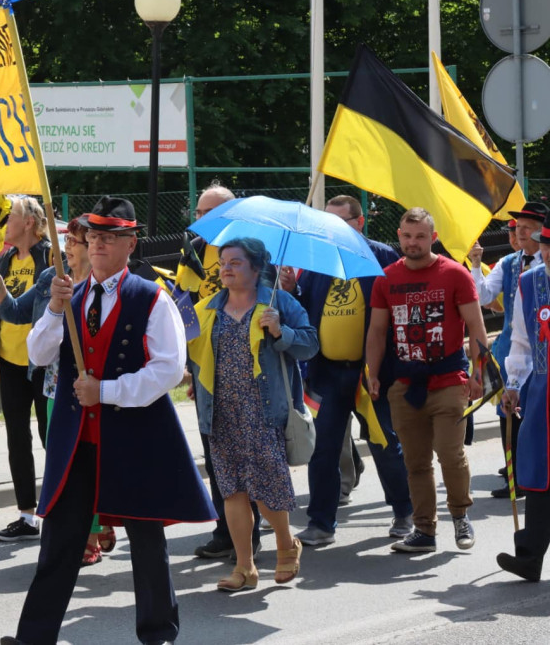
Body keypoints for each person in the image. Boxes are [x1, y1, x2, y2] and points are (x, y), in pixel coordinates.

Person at [2, 197, 214, 645]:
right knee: (59, 541)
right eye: (92, 236)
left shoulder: (152, 298)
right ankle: (32, 639)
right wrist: (55, 310)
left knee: (146, 541)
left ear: (130, 244)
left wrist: (108, 391)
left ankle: (157, 635)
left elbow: (169, 370)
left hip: (135, 437)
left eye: (109, 237)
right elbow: (38, 355)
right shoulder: (71, 295)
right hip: (78, 439)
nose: (97, 244)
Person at [188, 237, 318, 591]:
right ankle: (245, 568)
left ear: (257, 268)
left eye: (235, 263)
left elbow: (309, 345)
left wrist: (280, 330)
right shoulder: (208, 308)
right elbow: (185, 348)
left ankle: (285, 544)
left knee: (266, 485)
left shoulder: (280, 303)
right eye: (223, 263)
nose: (225, 269)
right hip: (220, 411)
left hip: (261, 409)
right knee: (231, 490)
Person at [282, 195, 412, 547]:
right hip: (327, 374)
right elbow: (303, 310)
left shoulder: (383, 257)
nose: (331, 230)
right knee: (321, 449)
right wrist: (291, 289)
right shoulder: (316, 261)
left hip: (374, 375)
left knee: (386, 444)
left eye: (339, 222)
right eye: (326, 223)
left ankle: (404, 514)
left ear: (359, 222)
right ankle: (321, 523)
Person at [0, 218, 112, 566]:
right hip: (55, 384)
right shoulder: (49, 280)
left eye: (74, 241)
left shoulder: (104, 287)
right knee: (65, 460)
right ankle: (89, 528)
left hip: (96, 388)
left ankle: (98, 521)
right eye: (67, 240)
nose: (67, 247)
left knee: (95, 460)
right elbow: (14, 313)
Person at [365, 207, 488, 553]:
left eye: (420, 236)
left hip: (450, 379)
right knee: (415, 462)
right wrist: (373, 374)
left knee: (450, 454)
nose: (412, 242)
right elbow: (377, 332)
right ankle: (424, 530)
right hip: (405, 384)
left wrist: (478, 373)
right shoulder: (386, 278)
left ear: (432, 238)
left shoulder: (455, 274)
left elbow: (477, 328)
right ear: (399, 236)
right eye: (407, 235)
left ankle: (461, 516)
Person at [179, 183, 265, 563]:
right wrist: (187, 361)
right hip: (208, 365)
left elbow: (271, 295)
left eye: (208, 213)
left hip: (251, 366)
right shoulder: (194, 249)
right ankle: (225, 532)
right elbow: (184, 303)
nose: (201, 220)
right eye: (198, 213)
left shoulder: (252, 248)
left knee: (251, 454)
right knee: (216, 454)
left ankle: (254, 534)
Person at [469, 201, 546, 499]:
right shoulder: (508, 263)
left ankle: (536, 479)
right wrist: (476, 264)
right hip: (512, 352)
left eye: (527, 228)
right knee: (508, 419)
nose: (520, 233)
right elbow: (483, 295)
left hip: (542, 359)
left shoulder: (547, 264)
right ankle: (515, 481)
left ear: (541, 232)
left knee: (536, 420)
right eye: (519, 228)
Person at [0, 196, 52, 543]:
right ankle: (27, 516)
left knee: (49, 435)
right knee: (17, 438)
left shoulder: (50, 257)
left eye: (9, 217)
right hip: (9, 359)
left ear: (29, 222)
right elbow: (8, 307)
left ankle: (59, 507)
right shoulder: (8, 257)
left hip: (41, 363)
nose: (4, 225)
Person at [499, 211, 550, 581]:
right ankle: (530, 556)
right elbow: (520, 338)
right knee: (538, 472)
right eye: (546, 247)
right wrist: (513, 384)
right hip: (542, 390)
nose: (547, 254)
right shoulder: (530, 282)